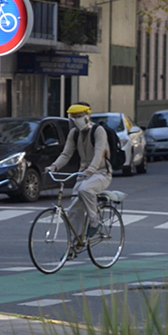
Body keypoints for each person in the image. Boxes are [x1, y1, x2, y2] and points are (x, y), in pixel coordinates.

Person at [46, 104, 112, 243]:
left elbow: (99, 153)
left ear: (88, 116)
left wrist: (92, 169)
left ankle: (95, 222)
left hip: (101, 173)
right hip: (83, 174)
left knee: (85, 189)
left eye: (79, 117)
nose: (77, 120)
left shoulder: (98, 131)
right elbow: (66, 154)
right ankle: (75, 243)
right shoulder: (74, 133)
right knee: (73, 211)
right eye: (74, 117)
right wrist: (54, 166)